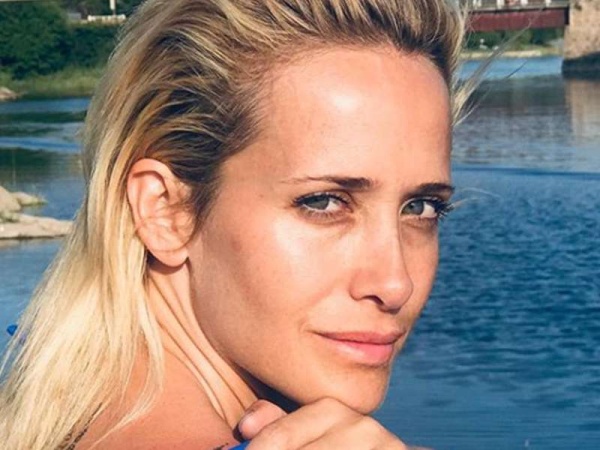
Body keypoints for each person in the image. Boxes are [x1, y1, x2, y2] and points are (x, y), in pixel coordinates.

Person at [0, 0, 469, 448]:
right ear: (165, 211)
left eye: (421, 208)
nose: (395, 284)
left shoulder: (46, 410)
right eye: (324, 202)